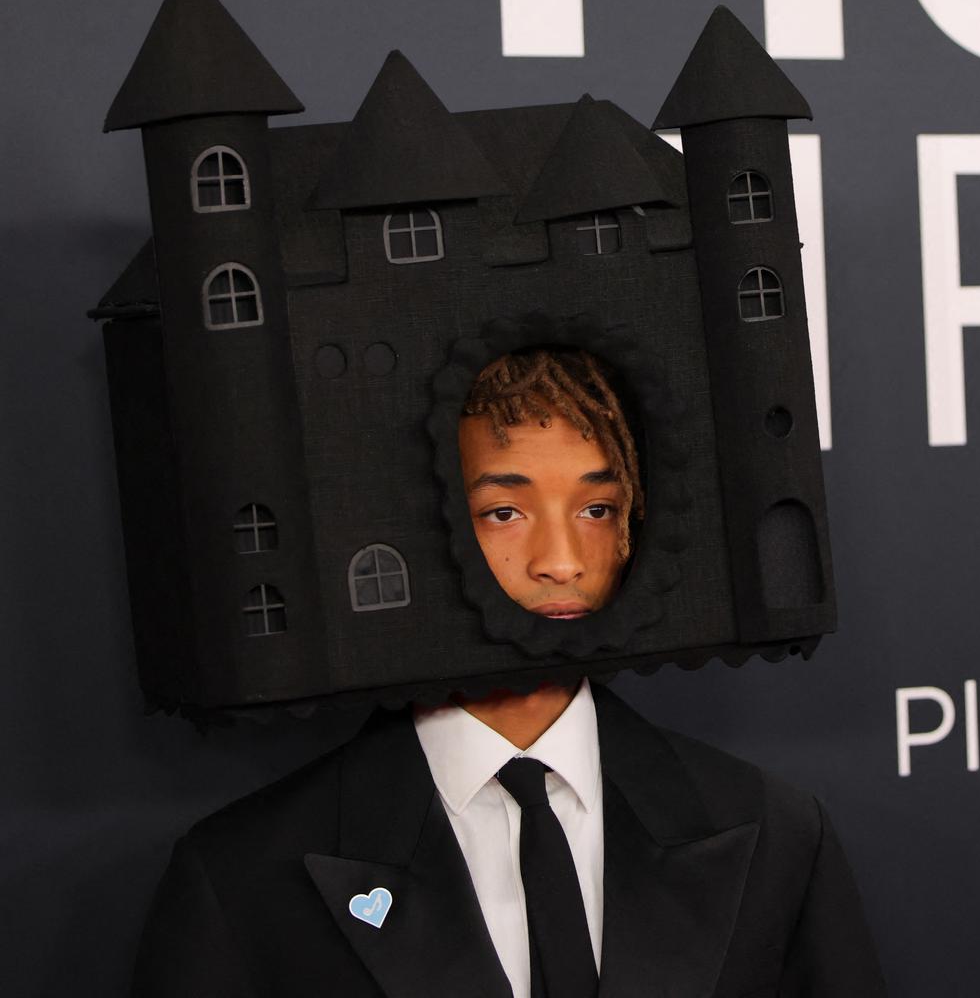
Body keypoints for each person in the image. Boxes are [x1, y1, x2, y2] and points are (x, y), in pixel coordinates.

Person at [133, 348, 886, 997]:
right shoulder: (241, 875)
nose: (560, 562)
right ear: (423, 528)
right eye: (504, 512)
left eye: (596, 508)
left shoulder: (778, 834)